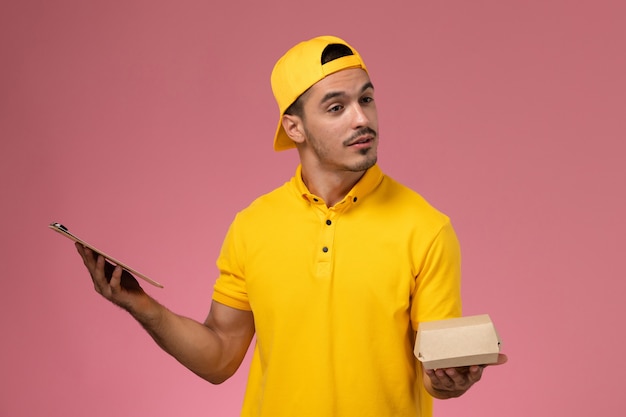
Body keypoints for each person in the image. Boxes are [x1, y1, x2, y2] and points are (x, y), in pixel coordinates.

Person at [76, 35, 506, 417]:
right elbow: (221, 356)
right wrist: (141, 305)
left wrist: (451, 380)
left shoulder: (426, 228)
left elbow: (437, 371)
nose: (361, 119)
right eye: (337, 107)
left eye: (367, 99)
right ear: (294, 126)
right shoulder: (253, 226)